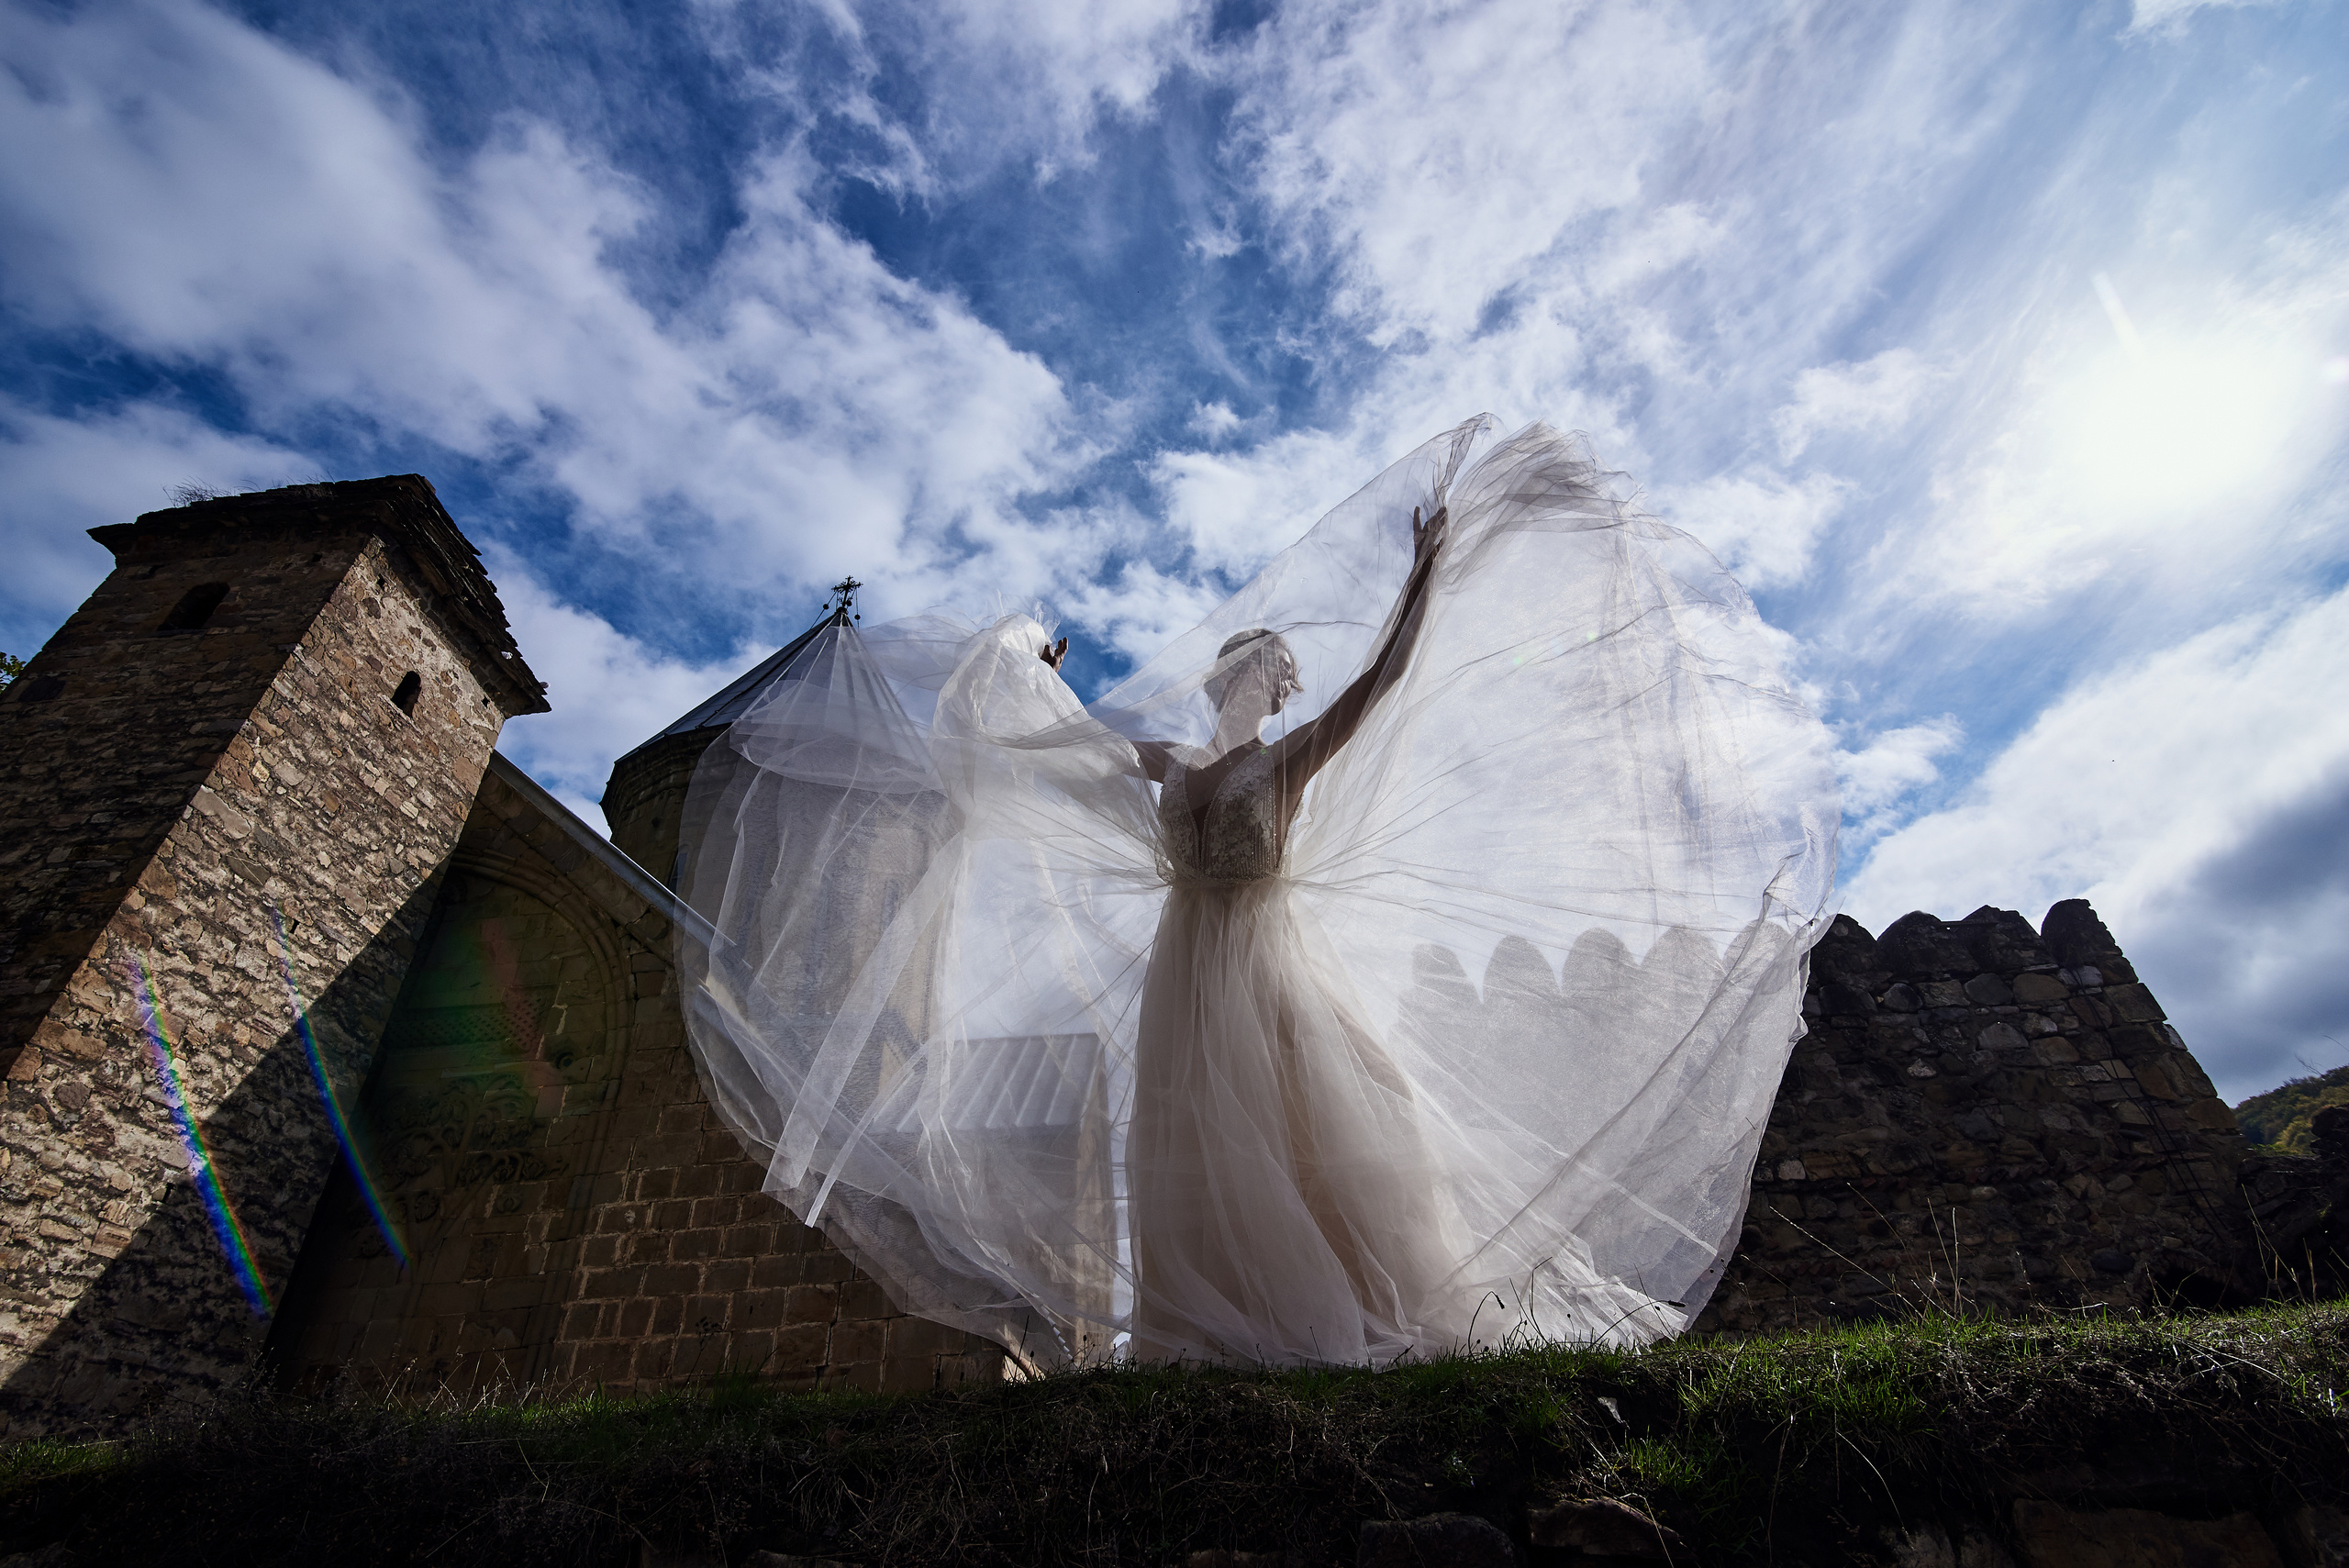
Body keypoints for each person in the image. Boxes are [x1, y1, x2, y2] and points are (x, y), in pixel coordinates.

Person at [676, 417, 1838, 1373]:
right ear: (1229, 675)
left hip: (1260, 952)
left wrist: (1425, 571)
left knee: (1325, 1118)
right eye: (1253, 668)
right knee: (1192, 1144)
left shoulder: (1281, 763)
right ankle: (1202, 1323)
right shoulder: (1176, 767)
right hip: (1190, 965)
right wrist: (1023, 682)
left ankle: (1359, 1301)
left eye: (1270, 674)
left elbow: (1383, 680)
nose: (1261, 683)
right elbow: (1070, 747)